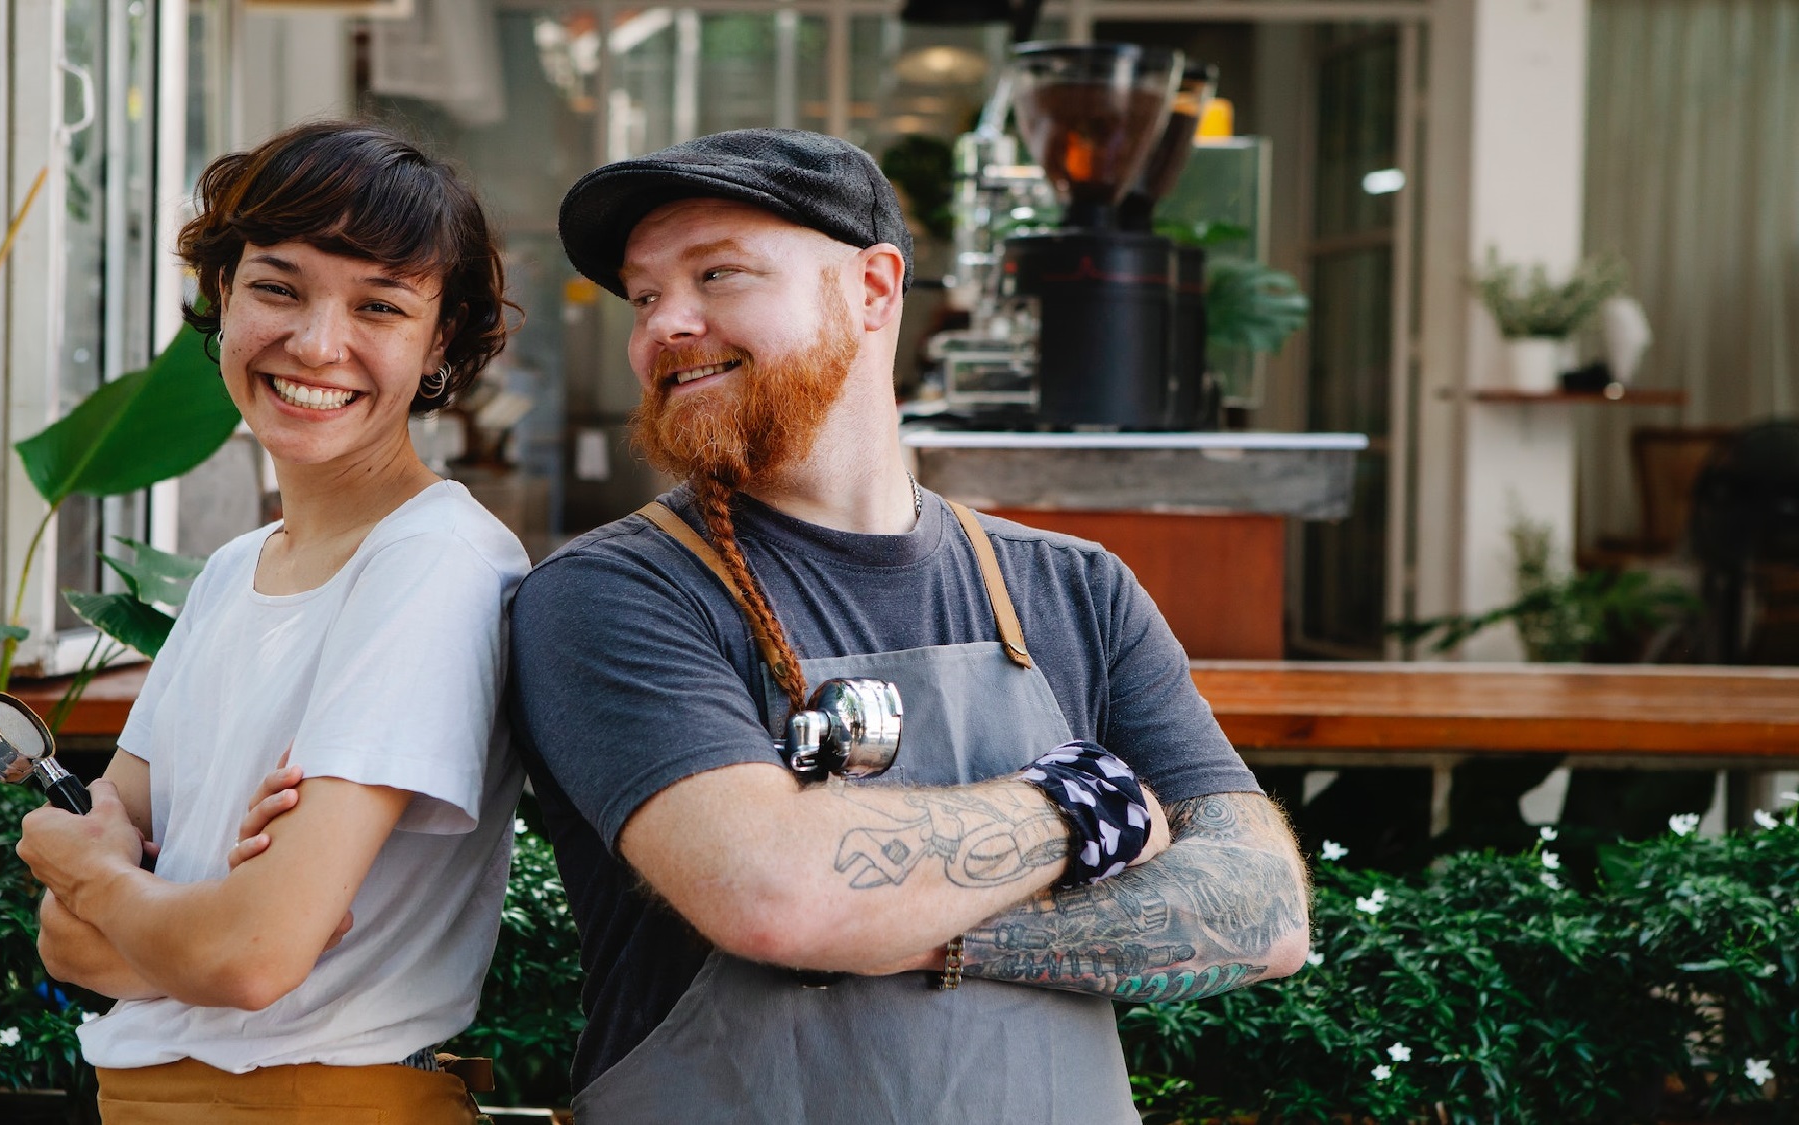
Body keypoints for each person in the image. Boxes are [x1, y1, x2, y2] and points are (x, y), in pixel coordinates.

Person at [509, 128, 1313, 1123]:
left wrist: (902, 927)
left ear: (874, 289)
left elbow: (1259, 913)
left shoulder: (1073, 590)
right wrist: (1083, 804)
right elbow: (776, 892)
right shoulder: (611, 595)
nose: (663, 327)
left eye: (717, 275)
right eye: (642, 296)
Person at [14, 121, 529, 1124]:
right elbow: (69, 948)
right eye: (277, 288)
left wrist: (97, 872)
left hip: (308, 1102)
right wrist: (186, 924)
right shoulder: (233, 571)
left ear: (439, 346)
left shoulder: (431, 564)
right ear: (222, 296)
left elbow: (247, 960)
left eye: (379, 306)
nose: (315, 344)